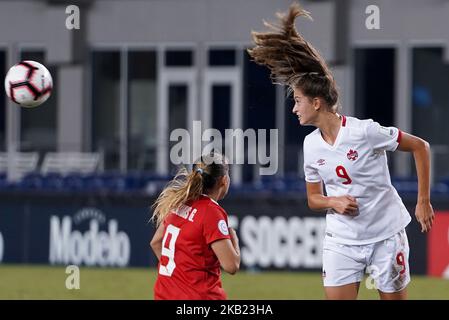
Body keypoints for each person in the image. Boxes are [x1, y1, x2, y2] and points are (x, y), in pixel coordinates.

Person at [247, 2, 435, 300]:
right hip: (342, 241)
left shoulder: (365, 132)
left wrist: (423, 200)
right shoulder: (311, 145)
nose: (294, 109)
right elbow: (313, 199)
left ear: (317, 102)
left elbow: (420, 147)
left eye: (298, 101)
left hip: (385, 235)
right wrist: (333, 201)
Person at [150, 152, 240, 300]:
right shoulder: (211, 212)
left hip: (164, 295)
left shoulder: (179, 203)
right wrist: (234, 239)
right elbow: (231, 265)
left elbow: (156, 242)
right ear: (224, 180)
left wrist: (179, 276)